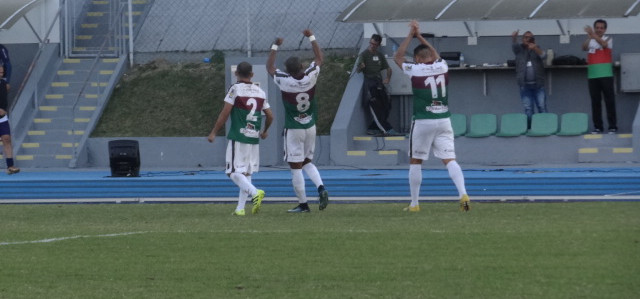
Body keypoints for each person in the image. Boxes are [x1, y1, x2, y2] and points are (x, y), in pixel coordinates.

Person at [393, 20, 469, 212]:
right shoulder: (443, 66)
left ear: (417, 59)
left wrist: (411, 34)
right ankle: (463, 194)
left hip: (423, 119)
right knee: (450, 160)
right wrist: (420, 36)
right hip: (444, 120)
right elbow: (435, 55)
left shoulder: (416, 70)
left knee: (416, 161)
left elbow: (398, 57)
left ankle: (415, 203)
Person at [266, 29, 329, 213]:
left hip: (294, 128)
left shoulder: (285, 81)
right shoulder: (311, 76)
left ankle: (303, 205)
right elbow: (319, 59)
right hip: (310, 125)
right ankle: (321, 188)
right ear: (302, 66)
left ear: (288, 71)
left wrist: (275, 45)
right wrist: (311, 37)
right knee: (308, 161)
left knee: (295, 168)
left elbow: (270, 68)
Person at [207, 61, 273, 216]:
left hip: (239, 135)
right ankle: (240, 208)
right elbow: (270, 115)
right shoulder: (260, 91)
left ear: (236, 74)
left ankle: (255, 192)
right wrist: (264, 131)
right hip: (253, 137)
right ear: (252, 75)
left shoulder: (235, 89)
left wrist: (214, 132)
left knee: (232, 172)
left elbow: (225, 112)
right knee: (246, 173)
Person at [357, 34, 401, 136]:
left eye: (374, 44)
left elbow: (388, 68)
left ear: (378, 45)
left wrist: (388, 78)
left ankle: (373, 128)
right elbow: (358, 70)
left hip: (379, 83)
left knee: (387, 105)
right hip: (370, 84)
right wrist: (361, 67)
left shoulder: (379, 55)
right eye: (371, 43)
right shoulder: (364, 55)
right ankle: (387, 129)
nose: (372, 46)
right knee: (377, 108)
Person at [582, 19, 617, 134]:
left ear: (605, 29)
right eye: (597, 27)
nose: (599, 29)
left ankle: (612, 126)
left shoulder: (608, 38)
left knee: (609, 101)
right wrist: (589, 37)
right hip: (593, 76)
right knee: (595, 102)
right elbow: (583, 47)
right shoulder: (591, 39)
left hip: (606, 74)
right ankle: (598, 127)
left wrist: (593, 35)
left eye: (601, 28)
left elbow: (604, 44)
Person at [511, 30, 547, 128]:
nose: (528, 39)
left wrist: (535, 48)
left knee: (542, 107)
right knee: (528, 109)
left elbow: (544, 56)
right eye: (526, 37)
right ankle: (531, 128)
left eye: (530, 37)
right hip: (524, 85)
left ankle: (544, 127)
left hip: (538, 85)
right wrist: (514, 38)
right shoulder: (519, 50)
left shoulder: (537, 48)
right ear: (522, 39)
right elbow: (514, 46)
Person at [0, 44, 19, 175]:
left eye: (2, 73)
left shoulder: (3, 84)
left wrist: (3, 109)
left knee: (6, 138)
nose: (2, 74)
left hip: (2, 116)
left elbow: (4, 100)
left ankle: (10, 166)